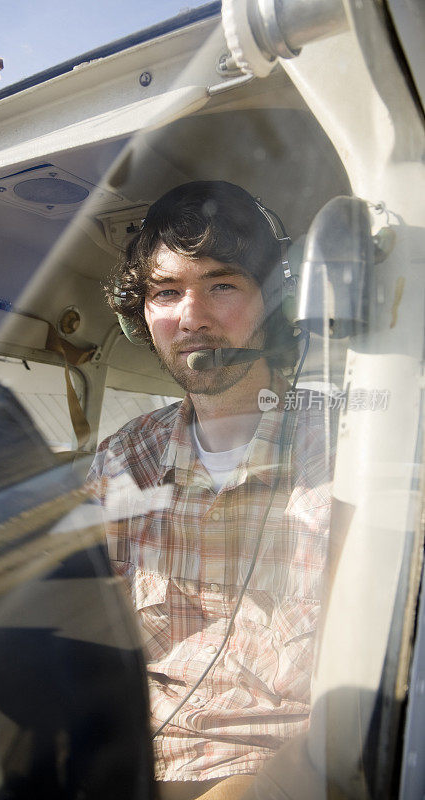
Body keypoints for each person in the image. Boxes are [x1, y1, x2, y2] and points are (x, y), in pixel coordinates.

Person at [88, 182, 334, 800]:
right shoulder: (125, 458)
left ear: (276, 300)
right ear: (138, 314)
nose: (191, 318)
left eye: (222, 285)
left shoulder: (344, 452)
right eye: (167, 292)